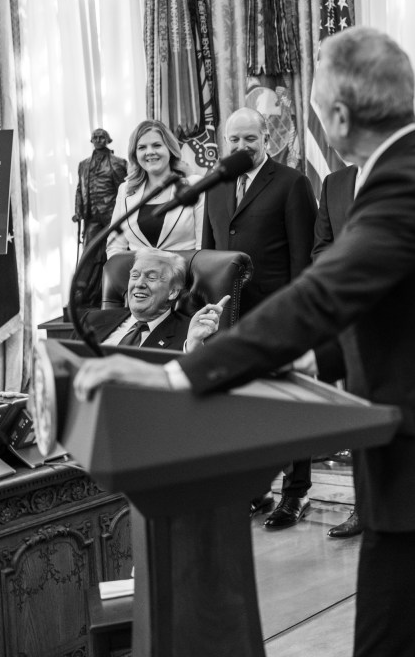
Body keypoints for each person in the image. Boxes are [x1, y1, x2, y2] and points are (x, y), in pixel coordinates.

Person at [75, 26, 415, 657]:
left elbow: (322, 296)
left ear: (339, 113)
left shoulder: (410, 183)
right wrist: (313, 358)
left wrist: (179, 375)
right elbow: (408, 318)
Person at [202, 106, 319, 530]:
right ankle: (254, 489)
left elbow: (303, 258)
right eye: (233, 139)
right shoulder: (215, 188)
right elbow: (207, 257)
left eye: (249, 138)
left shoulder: (292, 183)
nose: (241, 146)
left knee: (288, 406)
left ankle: (296, 492)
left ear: (266, 139)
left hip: (278, 316)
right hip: (229, 321)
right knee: (242, 409)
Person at [312, 163, 363, 539]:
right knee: (359, 417)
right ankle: (365, 507)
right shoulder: (335, 182)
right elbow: (321, 249)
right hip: (352, 321)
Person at [81, 249, 218, 352]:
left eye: (151, 278)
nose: (139, 284)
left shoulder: (191, 334)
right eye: (135, 276)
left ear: (173, 292)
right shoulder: (92, 320)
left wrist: (192, 347)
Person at [106, 120, 205, 256]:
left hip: (184, 274)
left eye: (157, 145)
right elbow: (115, 247)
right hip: (139, 275)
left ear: (170, 149)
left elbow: (203, 245)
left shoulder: (194, 185)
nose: (150, 152)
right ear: (135, 155)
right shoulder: (125, 190)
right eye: (142, 147)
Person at [74, 128, 128, 307]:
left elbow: (125, 190)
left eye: (101, 137)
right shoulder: (83, 164)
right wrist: (78, 211)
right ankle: (84, 291)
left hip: (112, 214)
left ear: (108, 140)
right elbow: (79, 189)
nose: (98, 140)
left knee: (115, 251)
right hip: (92, 215)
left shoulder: (118, 163)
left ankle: (117, 289)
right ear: (91, 140)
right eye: (95, 137)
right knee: (89, 253)